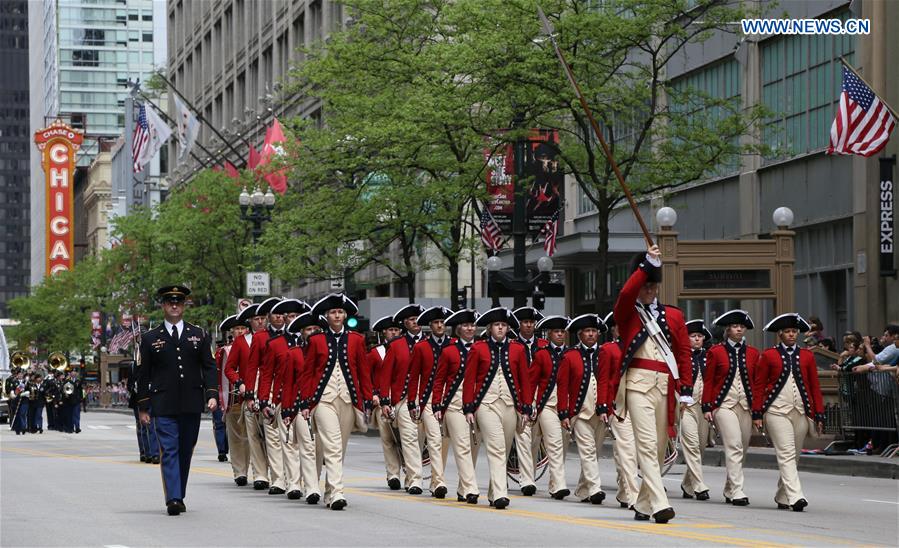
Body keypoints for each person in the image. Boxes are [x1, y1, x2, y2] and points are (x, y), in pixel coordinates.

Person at [611, 244, 692, 524]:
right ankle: (659, 503)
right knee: (645, 444)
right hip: (636, 383)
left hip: (666, 385)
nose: (647, 291)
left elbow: (683, 353)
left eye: (651, 287)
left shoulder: (673, 316)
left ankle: (643, 504)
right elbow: (625, 294)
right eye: (644, 286)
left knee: (659, 447)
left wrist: (687, 390)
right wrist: (646, 264)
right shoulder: (628, 313)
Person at [136, 285, 218, 516]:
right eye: (170, 302)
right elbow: (143, 374)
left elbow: (209, 367)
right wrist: (143, 406)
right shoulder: (151, 338)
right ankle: (173, 498)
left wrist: (211, 394)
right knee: (169, 450)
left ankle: (178, 493)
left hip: (191, 402)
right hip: (163, 403)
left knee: (185, 450)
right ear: (163, 305)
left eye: (179, 302)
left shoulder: (199, 334)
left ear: (184, 306)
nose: (174, 305)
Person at [300, 293, 373, 510]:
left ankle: (331, 491)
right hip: (323, 400)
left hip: (348, 399)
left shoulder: (357, 340)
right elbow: (308, 373)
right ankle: (339, 492)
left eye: (340, 312)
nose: (337, 315)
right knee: (332, 445)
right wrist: (305, 403)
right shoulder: (316, 340)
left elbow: (363, 372)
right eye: (333, 312)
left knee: (339, 448)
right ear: (326, 315)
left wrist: (367, 400)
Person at [463, 307, 533, 510]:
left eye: (503, 325)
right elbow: (469, 380)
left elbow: (524, 381)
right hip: (486, 404)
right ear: (489, 328)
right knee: (497, 447)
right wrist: (469, 408)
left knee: (505, 447)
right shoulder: (478, 348)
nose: (500, 328)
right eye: (496, 325)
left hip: (511, 405)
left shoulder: (518, 349)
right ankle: (502, 494)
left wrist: (526, 408)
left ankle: (494, 492)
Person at [754, 313, 825, 512]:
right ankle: (796, 496)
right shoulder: (769, 355)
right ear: (780, 334)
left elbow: (814, 386)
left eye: (794, 331)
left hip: (801, 411)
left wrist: (818, 413)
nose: (792, 335)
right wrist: (757, 413)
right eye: (788, 331)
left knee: (794, 456)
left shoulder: (807, 356)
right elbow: (759, 385)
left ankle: (782, 495)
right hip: (776, 410)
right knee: (785, 453)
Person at [702, 309, 759, 507]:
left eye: (742, 327)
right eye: (735, 326)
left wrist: (757, 410)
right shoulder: (716, 352)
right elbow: (708, 381)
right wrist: (707, 406)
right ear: (728, 329)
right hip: (723, 405)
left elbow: (756, 382)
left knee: (742, 447)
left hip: (745, 405)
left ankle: (729, 486)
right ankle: (737, 490)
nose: (739, 329)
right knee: (734, 445)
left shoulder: (753, 353)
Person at [558, 313, 611, 505]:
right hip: (579, 412)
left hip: (600, 411)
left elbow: (607, 381)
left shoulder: (605, 353)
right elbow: (562, 387)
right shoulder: (569, 356)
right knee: (587, 451)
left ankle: (582, 489)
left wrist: (606, 406)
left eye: (594, 331)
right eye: (587, 331)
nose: (591, 334)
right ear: (579, 335)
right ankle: (596, 489)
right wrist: (563, 412)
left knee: (595, 452)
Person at [432, 308, 480, 504]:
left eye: (472, 325)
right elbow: (439, 379)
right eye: (466, 325)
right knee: (462, 446)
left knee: (474, 446)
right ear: (459, 328)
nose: (470, 328)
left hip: (478, 403)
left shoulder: (482, 348)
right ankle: (471, 488)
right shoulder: (449, 351)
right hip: (454, 403)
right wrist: (437, 404)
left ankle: (462, 486)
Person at [379, 303, 426, 494]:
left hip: (426, 398)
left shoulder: (430, 342)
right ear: (405, 323)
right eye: (411, 319)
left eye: (417, 319)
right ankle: (415, 479)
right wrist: (384, 400)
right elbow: (386, 375)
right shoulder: (396, 345)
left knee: (422, 440)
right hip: (404, 399)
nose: (415, 322)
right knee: (409, 439)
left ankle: (412, 474)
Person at [408, 306, 453, 498]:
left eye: (442, 322)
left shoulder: (454, 344)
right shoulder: (421, 347)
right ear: (430, 326)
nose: (440, 325)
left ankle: (435, 480)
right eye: (436, 322)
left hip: (451, 399)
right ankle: (440, 482)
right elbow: (414, 376)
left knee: (445, 442)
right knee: (434, 440)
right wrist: (412, 402)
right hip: (427, 399)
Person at [223, 304, 266, 487]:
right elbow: (229, 368)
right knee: (250, 435)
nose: (260, 321)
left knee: (270, 436)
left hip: (270, 393)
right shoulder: (242, 342)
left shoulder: (273, 339)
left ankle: (274, 473)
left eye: (263, 317)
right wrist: (240, 384)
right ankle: (254, 474)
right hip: (247, 394)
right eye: (256, 318)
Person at [284, 311, 324, 504]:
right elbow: (289, 383)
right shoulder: (294, 353)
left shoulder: (328, 351)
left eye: (316, 328)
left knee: (319, 448)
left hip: (324, 404)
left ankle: (313, 481)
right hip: (302, 405)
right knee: (307, 446)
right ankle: (311, 488)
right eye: (309, 329)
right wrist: (287, 409)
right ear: (301, 332)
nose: (313, 332)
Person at [601, 311, 639, 509]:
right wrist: (603, 407)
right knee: (627, 452)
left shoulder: (642, 349)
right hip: (619, 408)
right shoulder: (609, 350)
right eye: (620, 326)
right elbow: (604, 381)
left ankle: (624, 492)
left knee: (636, 453)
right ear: (614, 330)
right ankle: (634, 496)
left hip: (642, 406)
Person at [531, 315, 570, 500]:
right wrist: (529, 404)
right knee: (552, 444)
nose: (560, 334)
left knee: (562, 444)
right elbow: (532, 382)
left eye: (562, 331)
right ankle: (559, 484)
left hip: (566, 406)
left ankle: (554, 483)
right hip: (546, 404)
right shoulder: (541, 354)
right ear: (549, 334)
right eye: (556, 331)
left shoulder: (571, 354)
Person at [511, 306, 548, 496]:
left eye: (531, 323)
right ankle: (526, 480)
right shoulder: (512, 346)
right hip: (519, 396)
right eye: (525, 322)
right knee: (523, 437)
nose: (529, 325)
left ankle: (530, 475)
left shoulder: (543, 345)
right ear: (519, 325)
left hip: (541, 396)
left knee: (535, 439)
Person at [367, 315, 403, 490]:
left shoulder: (406, 349)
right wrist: (373, 394)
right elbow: (367, 376)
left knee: (406, 439)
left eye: (397, 330)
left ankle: (411, 473)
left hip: (402, 400)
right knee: (388, 440)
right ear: (384, 333)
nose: (394, 333)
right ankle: (393, 474)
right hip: (382, 402)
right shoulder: (376, 353)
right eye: (391, 330)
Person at [679, 319, 712, 501]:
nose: (697, 339)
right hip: (685, 407)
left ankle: (687, 484)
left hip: (703, 407)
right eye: (693, 336)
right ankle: (699, 485)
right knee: (691, 445)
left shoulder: (708, 356)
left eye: (700, 336)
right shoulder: (680, 356)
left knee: (700, 446)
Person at [128, 361, 159, 464]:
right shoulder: (133, 366)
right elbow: (129, 384)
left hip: (153, 397)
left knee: (152, 425)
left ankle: (154, 454)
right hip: (139, 398)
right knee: (142, 426)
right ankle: (145, 453)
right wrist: (135, 387)